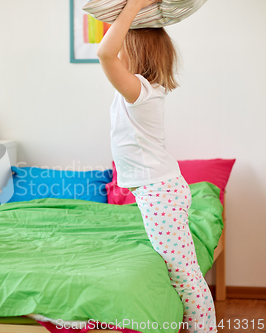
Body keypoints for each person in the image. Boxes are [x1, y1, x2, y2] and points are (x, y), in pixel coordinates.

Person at [96, 1, 216, 332]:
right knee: (183, 269)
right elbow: (111, 53)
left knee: (184, 273)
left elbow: (105, 54)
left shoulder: (140, 92)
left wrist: (133, 7)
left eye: (126, 46)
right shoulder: (143, 91)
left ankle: (203, 329)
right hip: (160, 190)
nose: (120, 52)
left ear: (136, 53)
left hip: (159, 193)